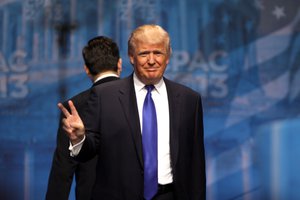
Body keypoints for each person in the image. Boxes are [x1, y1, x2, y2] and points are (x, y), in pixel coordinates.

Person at [59, 24, 206, 200]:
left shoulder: (189, 99)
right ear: (131, 57)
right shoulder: (105, 96)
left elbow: (196, 165)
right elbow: (88, 153)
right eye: (144, 54)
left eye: (158, 53)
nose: (151, 60)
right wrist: (79, 139)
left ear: (168, 57)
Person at [46, 36, 122, 200]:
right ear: (120, 64)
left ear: (86, 69)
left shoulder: (73, 107)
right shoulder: (142, 99)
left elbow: (62, 171)